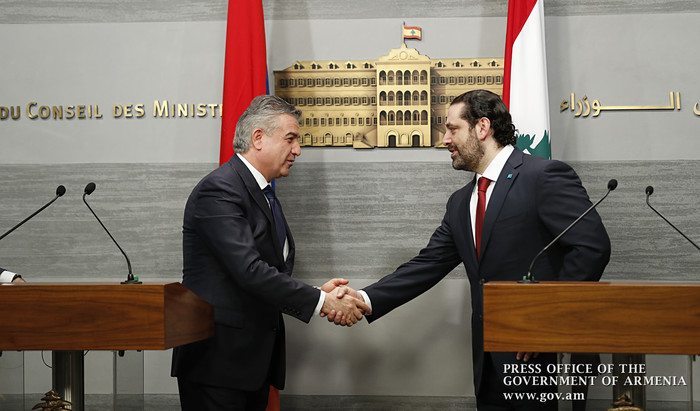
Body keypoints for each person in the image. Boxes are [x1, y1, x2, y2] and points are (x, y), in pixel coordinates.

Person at [330, 89, 610, 410]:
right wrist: (364, 298)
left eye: (452, 129)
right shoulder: (460, 202)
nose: (445, 140)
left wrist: (547, 320)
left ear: (482, 127)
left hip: (538, 354)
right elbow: (427, 264)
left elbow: (592, 246)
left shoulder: (543, 176)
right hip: (487, 362)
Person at [171, 95, 369, 411]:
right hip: (217, 365)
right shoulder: (220, 190)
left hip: (251, 365)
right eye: (290, 139)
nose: (297, 150)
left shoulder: (261, 192)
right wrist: (322, 301)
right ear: (258, 138)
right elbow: (249, 271)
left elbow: (264, 273)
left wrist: (317, 292)